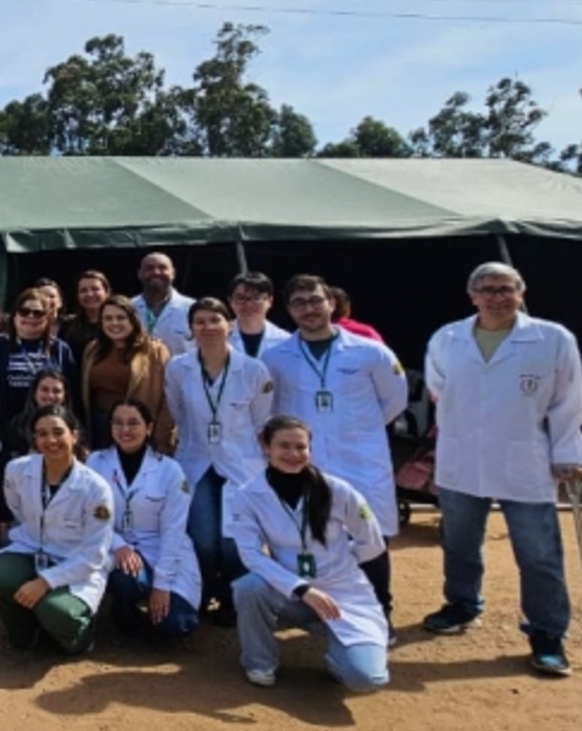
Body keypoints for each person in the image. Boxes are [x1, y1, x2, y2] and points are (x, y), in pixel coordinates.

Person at [421, 263, 582, 676]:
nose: (496, 296)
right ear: (472, 296)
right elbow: (439, 390)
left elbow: (568, 399)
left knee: (538, 553)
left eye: (505, 289)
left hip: (525, 457)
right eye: (486, 289)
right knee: (459, 541)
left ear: (521, 292)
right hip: (462, 457)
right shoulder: (448, 338)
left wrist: (567, 451)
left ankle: (547, 633)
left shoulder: (551, 339)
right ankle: (462, 604)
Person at [262, 275, 407, 631]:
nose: (308, 309)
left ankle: (379, 613)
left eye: (315, 300)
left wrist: (356, 430)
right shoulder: (275, 357)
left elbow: (395, 399)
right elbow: (271, 408)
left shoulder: (369, 351)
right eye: (299, 303)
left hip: (361, 461)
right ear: (289, 309)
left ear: (331, 303)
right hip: (307, 463)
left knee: (369, 539)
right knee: (313, 537)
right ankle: (320, 613)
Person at [230, 416, 390, 691]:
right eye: (284, 446)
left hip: (343, 595)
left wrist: (342, 564)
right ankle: (260, 662)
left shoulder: (337, 490)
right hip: (291, 593)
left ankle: (339, 660)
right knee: (249, 587)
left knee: (367, 679)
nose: (293, 454)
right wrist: (302, 588)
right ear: (265, 446)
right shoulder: (248, 495)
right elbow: (251, 555)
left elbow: (372, 542)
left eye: (300, 447)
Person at [163, 297, 274, 624]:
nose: (208, 327)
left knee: (233, 543)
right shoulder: (178, 368)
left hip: (241, 465)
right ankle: (203, 591)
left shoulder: (253, 370)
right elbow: (178, 413)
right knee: (203, 539)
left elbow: (262, 422)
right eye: (200, 322)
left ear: (230, 325)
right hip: (196, 462)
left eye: (215, 320)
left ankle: (232, 599)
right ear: (191, 328)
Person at [0, 404, 114, 656]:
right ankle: (26, 630)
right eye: (41, 434)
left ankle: (81, 636)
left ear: (74, 435)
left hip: (76, 562)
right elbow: (17, 509)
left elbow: (94, 556)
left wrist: (45, 582)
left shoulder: (96, 488)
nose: (50, 440)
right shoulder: (17, 469)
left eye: (58, 432)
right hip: (31, 549)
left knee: (57, 612)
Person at [85, 400, 198, 641]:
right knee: (125, 579)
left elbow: (173, 530)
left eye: (134, 423)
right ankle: (124, 608)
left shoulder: (170, 470)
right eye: (118, 423)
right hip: (116, 545)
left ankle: (149, 595)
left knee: (177, 625)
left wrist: (162, 585)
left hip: (162, 548)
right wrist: (119, 545)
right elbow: (92, 515)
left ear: (148, 428)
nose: (125, 430)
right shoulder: (95, 463)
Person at [0, 287, 79, 459]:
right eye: (24, 311)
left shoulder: (59, 349)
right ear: (14, 316)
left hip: (52, 431)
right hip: (10, 433)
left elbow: (73, 393)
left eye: (38, 313)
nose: (30, 317)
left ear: (47, 318)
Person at [81, 295, 174, 452]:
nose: (114, 323)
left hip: (137, 428)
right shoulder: (93, 350)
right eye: (108, 319)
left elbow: (169, 397)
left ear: (133, 320)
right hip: (100, 425)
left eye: (120, 318)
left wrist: (160, 436)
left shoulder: (154, 351)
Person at [133, 252, 196, 356]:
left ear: (173, 273)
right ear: (140, 274)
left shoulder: (192, 308)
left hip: (181, 371)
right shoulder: (128, 308)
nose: (156, 272)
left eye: (162, 268)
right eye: (149, 268)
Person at [227, 272, 291, 358]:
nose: (249, 304)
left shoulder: (286, 341)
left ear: (270, 301)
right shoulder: (219, 337)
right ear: (230, 302)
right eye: (241, 298)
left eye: (256, 298)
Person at [58, 270, 111, 364]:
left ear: (106, 292)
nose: (89, 294)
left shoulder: (118, 323)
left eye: (95, 289)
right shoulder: (68, 327)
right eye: (83, 290)